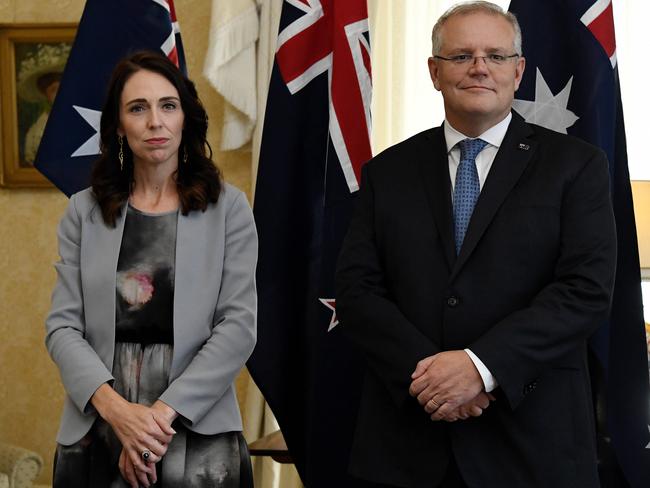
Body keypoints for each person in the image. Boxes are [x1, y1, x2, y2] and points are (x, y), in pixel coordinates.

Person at [335, 2, 617, 487]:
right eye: (462, 55)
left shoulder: (576, 166)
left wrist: (481, 368)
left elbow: (585, 289)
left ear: (518, 70)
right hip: (408, 446)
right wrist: (431, 381)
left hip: (532, 444)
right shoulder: (387, 172)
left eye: (496, 55)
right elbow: (357, 291)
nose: (480, 67)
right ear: (435, 72)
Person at [45, 51, 257, 488]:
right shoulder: (82, 211)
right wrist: (120, 414)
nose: (155, 122)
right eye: (138, 108)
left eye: (168, 105)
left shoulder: (229, 207)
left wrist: (154, 423)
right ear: (119, 125)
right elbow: (63, 328)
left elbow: (237, 327)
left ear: (185, 118)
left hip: (196, 427)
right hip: (99, 422)